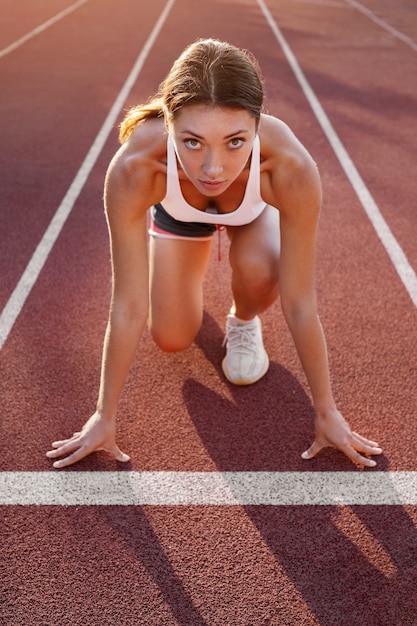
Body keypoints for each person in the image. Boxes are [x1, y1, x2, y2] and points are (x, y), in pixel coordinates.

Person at [46, 38, 382, 469]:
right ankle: (174, 252)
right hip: (178, 212)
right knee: (170, 337)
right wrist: (103, 416)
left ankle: (243, 319)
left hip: (252, 211)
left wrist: (327, 412)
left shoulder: (290, 168)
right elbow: (127, 305)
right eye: (192, 142)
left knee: (260, 270)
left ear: (258, 125)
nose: (213, 169)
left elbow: (300, 303)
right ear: (167, 123)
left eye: (235, 141)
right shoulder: (135, 168)